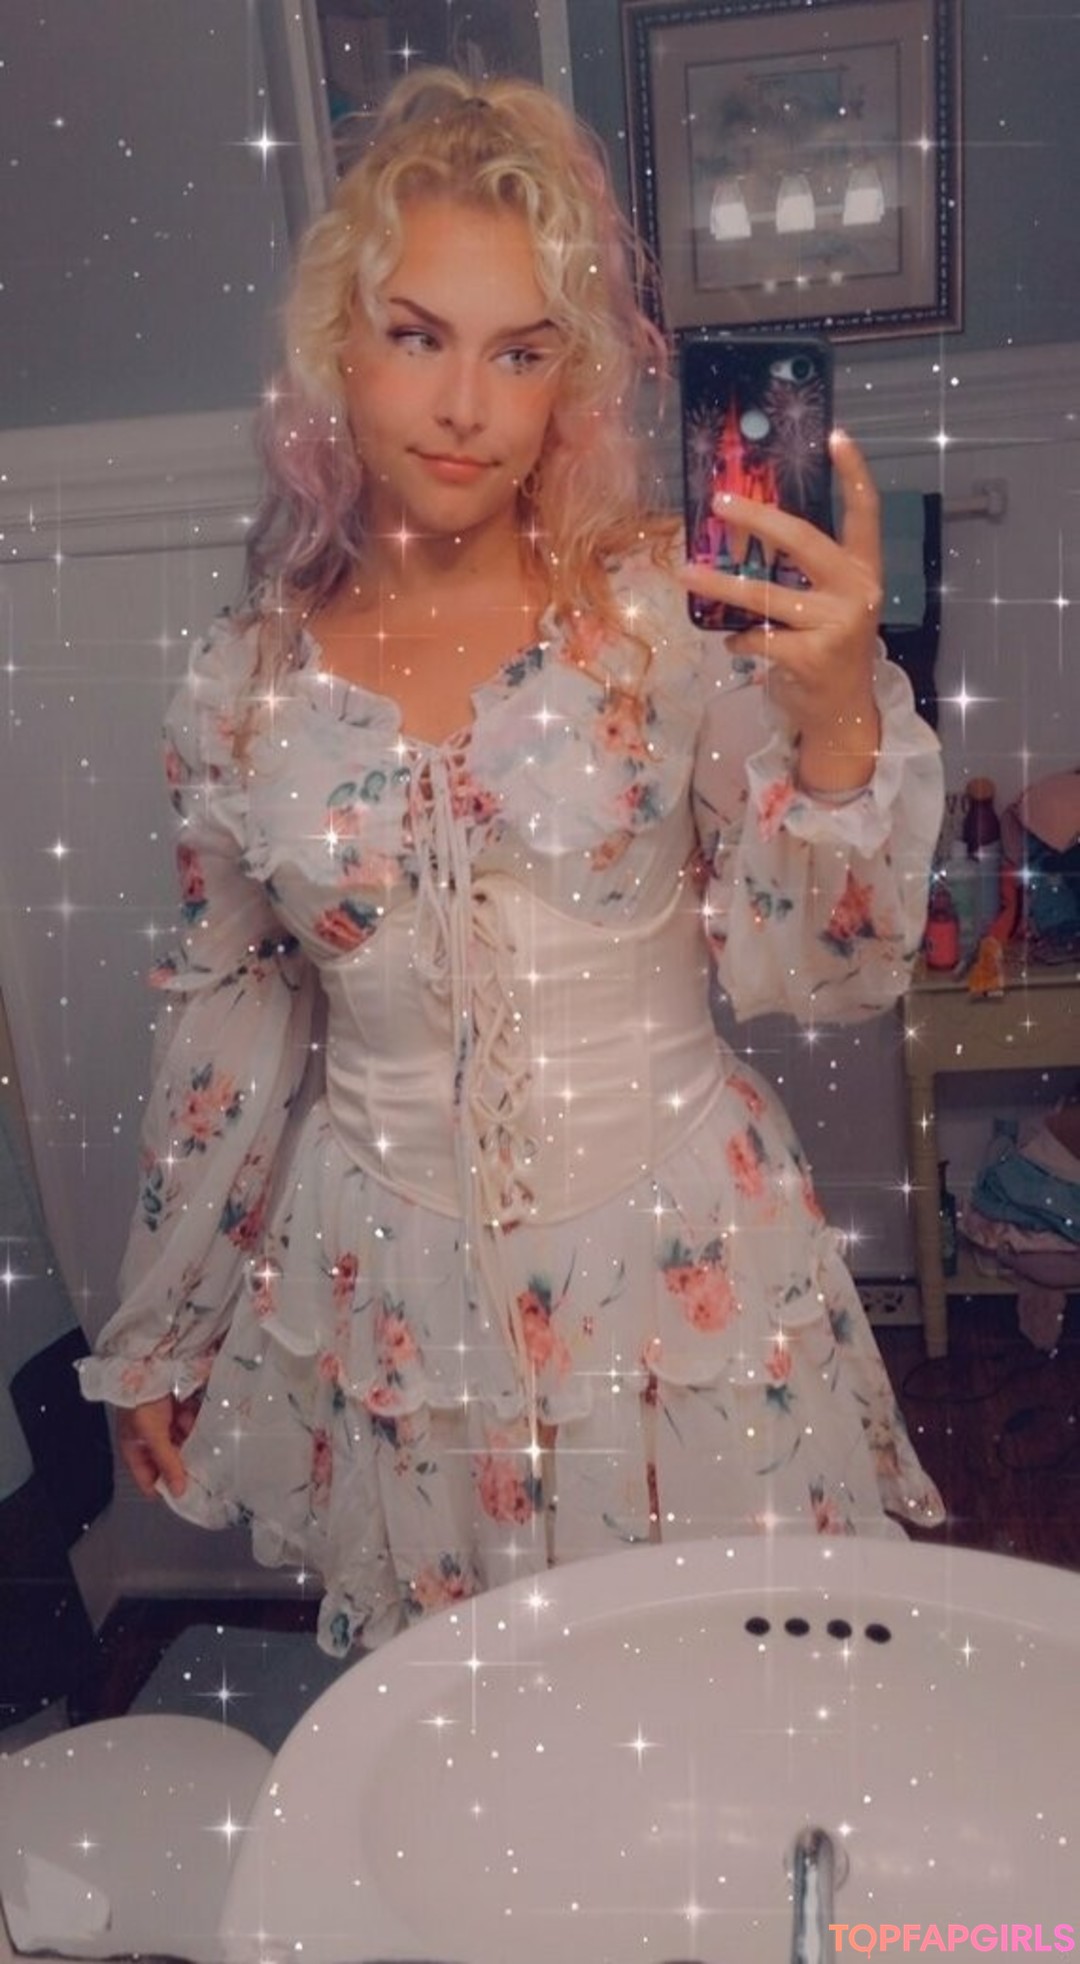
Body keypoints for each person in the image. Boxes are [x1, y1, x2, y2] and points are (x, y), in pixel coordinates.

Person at [79, 68, 945, 1656]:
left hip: (679, 1268)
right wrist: (163, 1325)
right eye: (419, 337)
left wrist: (834, 718)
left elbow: (831, 969)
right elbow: (229, 1022)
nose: (466, 405)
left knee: (721, 1701)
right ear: (338, 347)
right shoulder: (243, 687)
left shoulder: (662, 620)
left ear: (571, 383)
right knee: (477, 1721)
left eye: (521, 352)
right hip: (397, 1293)